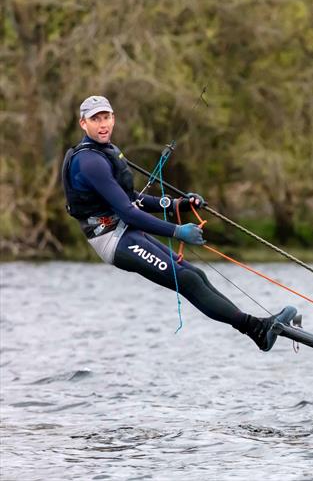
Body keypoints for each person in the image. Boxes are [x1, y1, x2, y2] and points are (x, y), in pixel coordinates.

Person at [61, 95, 295, 351]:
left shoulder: (108, 151)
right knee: (188, 281)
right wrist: (177, 231)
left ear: (114, 118)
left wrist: (175, 205)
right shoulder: (89, 162)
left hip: (126, 230)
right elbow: (128, 212)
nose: (103, 124)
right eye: (95, 119)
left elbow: (131, 199)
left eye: (106, 117)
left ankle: (257, 329)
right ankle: (257, 329)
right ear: (83, 123)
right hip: (112, 239)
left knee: (196, 275)